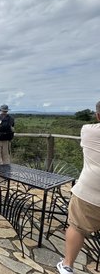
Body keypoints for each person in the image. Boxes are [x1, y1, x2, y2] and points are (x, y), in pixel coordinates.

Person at [57, 101, 100, 274]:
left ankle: (67, 265)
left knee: (77, 227)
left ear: (97, 115)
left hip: (90, 190)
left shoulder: (88, 130)